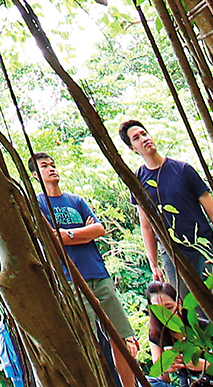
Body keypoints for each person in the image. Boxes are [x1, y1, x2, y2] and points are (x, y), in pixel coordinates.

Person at [31, 152, 142, 387]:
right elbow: (50, 238)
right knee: (90, 341)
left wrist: (68, 234)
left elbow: (99, 230)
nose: (52, 169)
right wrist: (82, 232)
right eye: (44, 166)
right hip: (71, 279)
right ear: (35, 175)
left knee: (120, 338)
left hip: (98, 274)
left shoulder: (76, 201)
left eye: (53, 164)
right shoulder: (38, 205)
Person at [116, 119, 213, 294]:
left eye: (144, 133)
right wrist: (154, 265)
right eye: (136, 138)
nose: (144, 139)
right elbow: (146, 226)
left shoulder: (182, 169)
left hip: (204, 249)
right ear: (133, 148)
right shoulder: (138, 181)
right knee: (193, 313)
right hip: (172, 257)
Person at [142, 284, 211, 381]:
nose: (166, 315)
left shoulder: (203, 327)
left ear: (179, 304)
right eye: (159, 311)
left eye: (169, 307)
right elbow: (160, 376)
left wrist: (204, 365)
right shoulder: (156, 334)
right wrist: (166, 368)